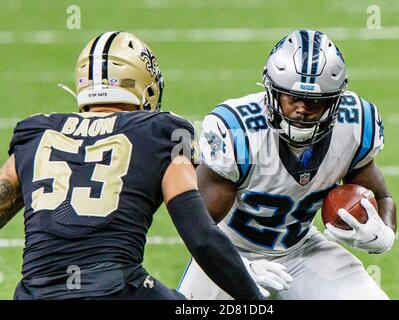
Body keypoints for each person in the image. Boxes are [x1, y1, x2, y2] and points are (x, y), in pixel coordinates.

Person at [0, 31, 291, 300]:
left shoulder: (38, 133)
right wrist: (251, 296)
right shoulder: (161, 132)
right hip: (116, 290)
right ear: (146, 86)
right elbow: (202, 238)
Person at [178, 29, 397, 300]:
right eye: (293, 97)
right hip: (230, 252)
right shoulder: (239, 132)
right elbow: (196, 227)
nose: (302, 109)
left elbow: (383, 197)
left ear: (334, 101)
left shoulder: (354, 125)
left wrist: (384, 234)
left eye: (314, 101)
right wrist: (237, 267)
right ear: (272, 92)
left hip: (301, 248)